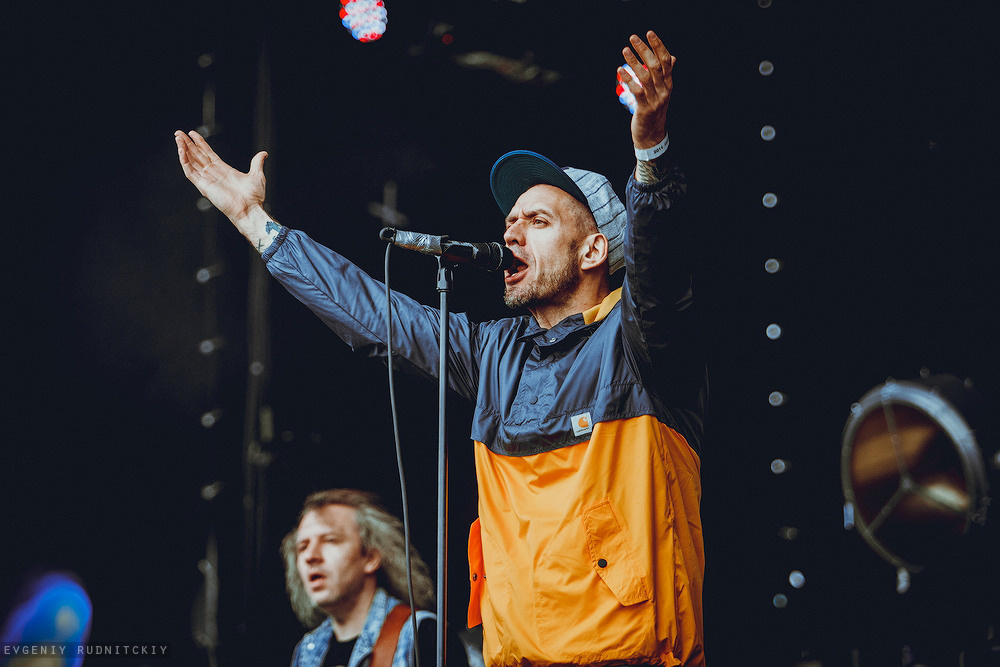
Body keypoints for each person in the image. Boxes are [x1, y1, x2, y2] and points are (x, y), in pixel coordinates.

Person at [178, 30, 708, 666]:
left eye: (538, 220)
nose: (511, 228)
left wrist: (650, 151)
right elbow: (375, 316)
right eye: (510, 219)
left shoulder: (640, 339)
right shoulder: (490, 353)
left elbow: (662, 266)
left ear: (594, 251)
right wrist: (258, 226)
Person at [282, 488, 472, 667]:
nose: (310, 556)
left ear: (370, 558)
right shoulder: (307, 650)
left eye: (330, 540)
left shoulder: (423, 635)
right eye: (302, 546)